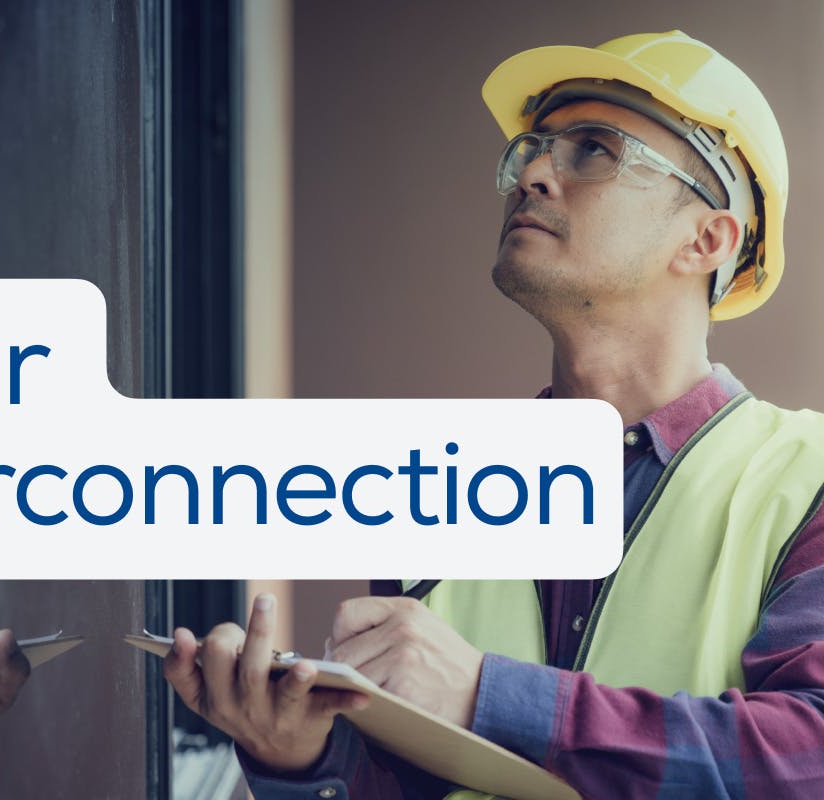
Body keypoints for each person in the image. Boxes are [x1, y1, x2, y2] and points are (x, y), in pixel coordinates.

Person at [163, 31, 824, 798]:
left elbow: (808, 757)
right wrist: (298, 760)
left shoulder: (804, 477)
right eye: (533, 150)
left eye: (594, 151)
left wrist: (489, 695)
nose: (532, 173)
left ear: (707, 239)